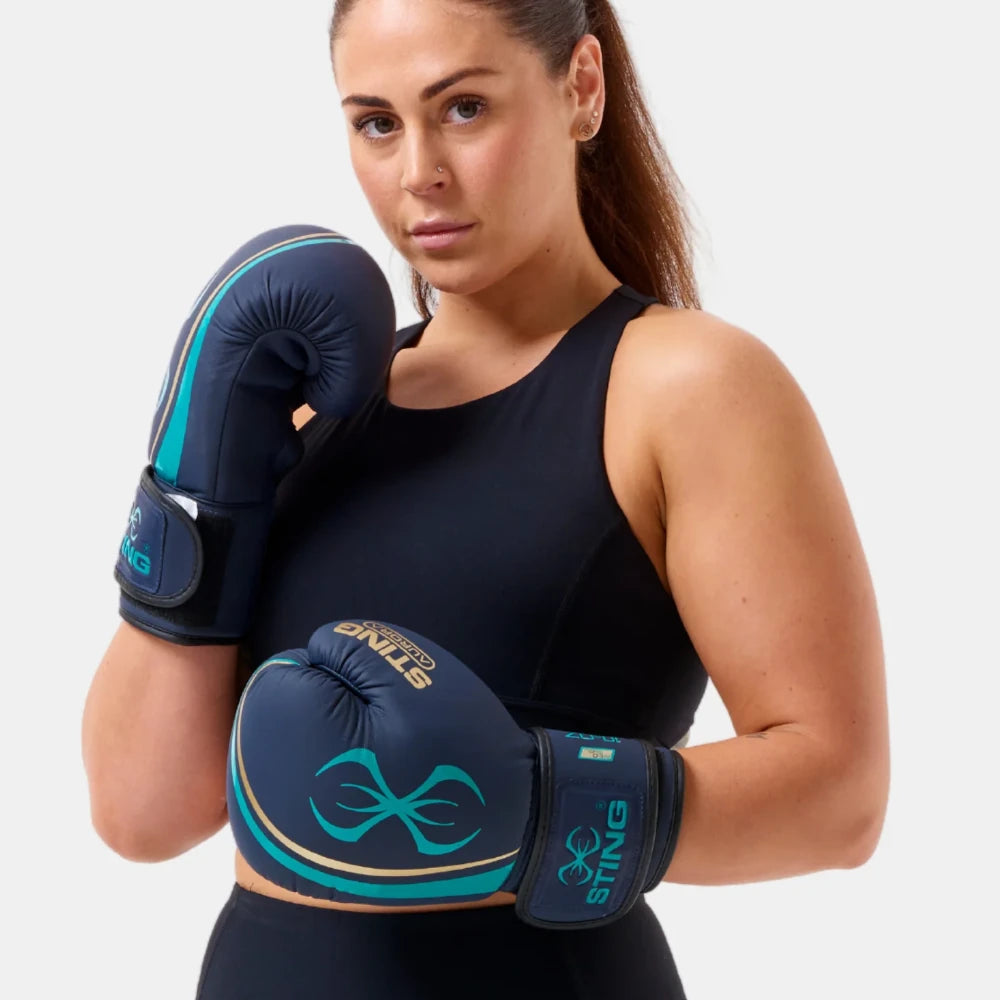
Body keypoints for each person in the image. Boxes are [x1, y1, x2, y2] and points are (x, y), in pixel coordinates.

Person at [81, 0, 891, 997]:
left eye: (463, 108)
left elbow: (841, 797)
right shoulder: (307, 412)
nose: (418, 170)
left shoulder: (685, 387)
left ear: (580, 87)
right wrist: (193, 475)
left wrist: (539, 808)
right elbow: (141, 812)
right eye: (377, 122)